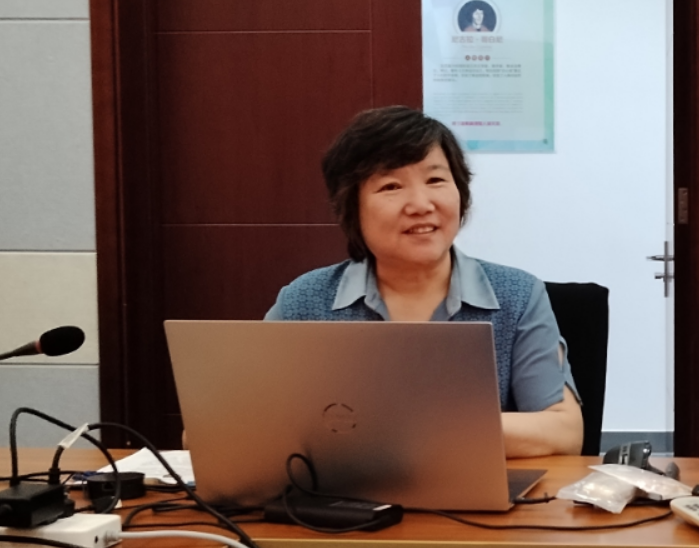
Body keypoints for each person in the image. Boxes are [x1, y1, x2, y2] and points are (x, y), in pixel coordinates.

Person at [264, 106, 583, 458]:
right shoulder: (304, 303)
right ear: (352, 207)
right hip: (347, 491)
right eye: (391, 186)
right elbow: (243, 423)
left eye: (435, 181)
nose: (420, 204)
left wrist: (411, 427)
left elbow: (564, 430)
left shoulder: (518, 297)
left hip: (476, 491)